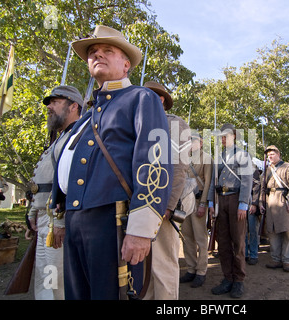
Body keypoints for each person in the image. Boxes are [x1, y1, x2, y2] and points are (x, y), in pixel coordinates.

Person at [50, 25, 173, 300]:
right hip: (76, 218)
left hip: (113, 222)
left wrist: (141, 230)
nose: (98, 55)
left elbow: (156, 162)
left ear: (126, 64)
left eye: (108, 50)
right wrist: (58, 212)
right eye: (93, 52)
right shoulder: (87, 115)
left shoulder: (142, 98)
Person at [28, 85, 83, 300]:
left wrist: (60, 221)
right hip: (44, 218)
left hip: (57, 221)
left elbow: (71, 184)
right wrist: (33, 210)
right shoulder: (59, 138)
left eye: (55, 102)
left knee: (57, 281)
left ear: (73, 106)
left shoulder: (76, 137)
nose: (49, 107)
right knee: (44, 278)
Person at [143, 80, 191, 299]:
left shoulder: (175, 124)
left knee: (163, 264)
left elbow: (180, 168)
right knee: (144, 267)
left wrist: (168, 205)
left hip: (162, 203)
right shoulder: (139, 123)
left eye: (147, 95)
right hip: (139, 203)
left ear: (160, 99)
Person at [208, 123, 253, 298]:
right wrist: (211, 202)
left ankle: (239, 280)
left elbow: (247, 180)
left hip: (236, 199)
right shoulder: (218, 157)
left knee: (238, 242)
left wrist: (243, 204)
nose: (223, 138)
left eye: (226, 135)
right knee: (223, 242)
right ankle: (227, 278)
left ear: (234, 136)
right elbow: (214, 181)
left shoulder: (243, 155)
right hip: (221, 200)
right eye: (221, 136)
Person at [260, 145, 289, 272]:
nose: (270, 157)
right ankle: (275, 259)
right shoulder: (267, 170)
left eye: (272, 154)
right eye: (268, 155)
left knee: (287, 233)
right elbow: (263, 187)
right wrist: (261, 202)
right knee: (272, 232)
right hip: (271, 202)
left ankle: (287, 261)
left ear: (278, 154)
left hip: (284, 201)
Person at [180, 131, 213, 287]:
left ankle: (201, 271)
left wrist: (203, 203)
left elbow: (207, 183)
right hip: (185, 202)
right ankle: (191, 268)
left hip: (199, 200)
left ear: (200, 143)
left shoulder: (206, 157)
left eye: (194, 141)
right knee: (186, 237)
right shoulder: (184, 157)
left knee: (200, 238)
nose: (191, 143)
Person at [245, 163, 261, 265]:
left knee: (252, 230)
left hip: (251, 203)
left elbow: (256, 188)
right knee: (242, 231)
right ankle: (245, 253)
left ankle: (254, 254)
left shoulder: (253, 170)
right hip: (240, 203)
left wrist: (254, 204)